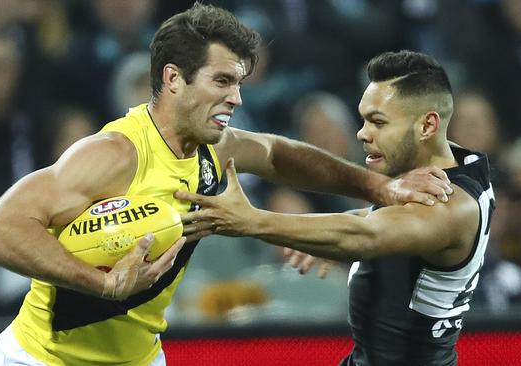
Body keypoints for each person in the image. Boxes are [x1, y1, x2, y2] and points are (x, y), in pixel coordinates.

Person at [0, 5, 453, 366]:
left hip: (138, 358)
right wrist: (101, 283)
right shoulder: (113, 155)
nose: (237, 97)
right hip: (40, 359)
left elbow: (279, 154)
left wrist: (380, 189)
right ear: (174, 78)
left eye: (239, 83)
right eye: (222, 81)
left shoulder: (214, 146)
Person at [178, 50, 495, 366]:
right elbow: (381, 222)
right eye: (363, 119)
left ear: (427, 126)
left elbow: (364, 236)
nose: (362, 133)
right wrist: (326, 231)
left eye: (378, 122)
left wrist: (251, 221)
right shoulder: (453, 164)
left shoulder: (450, 206)